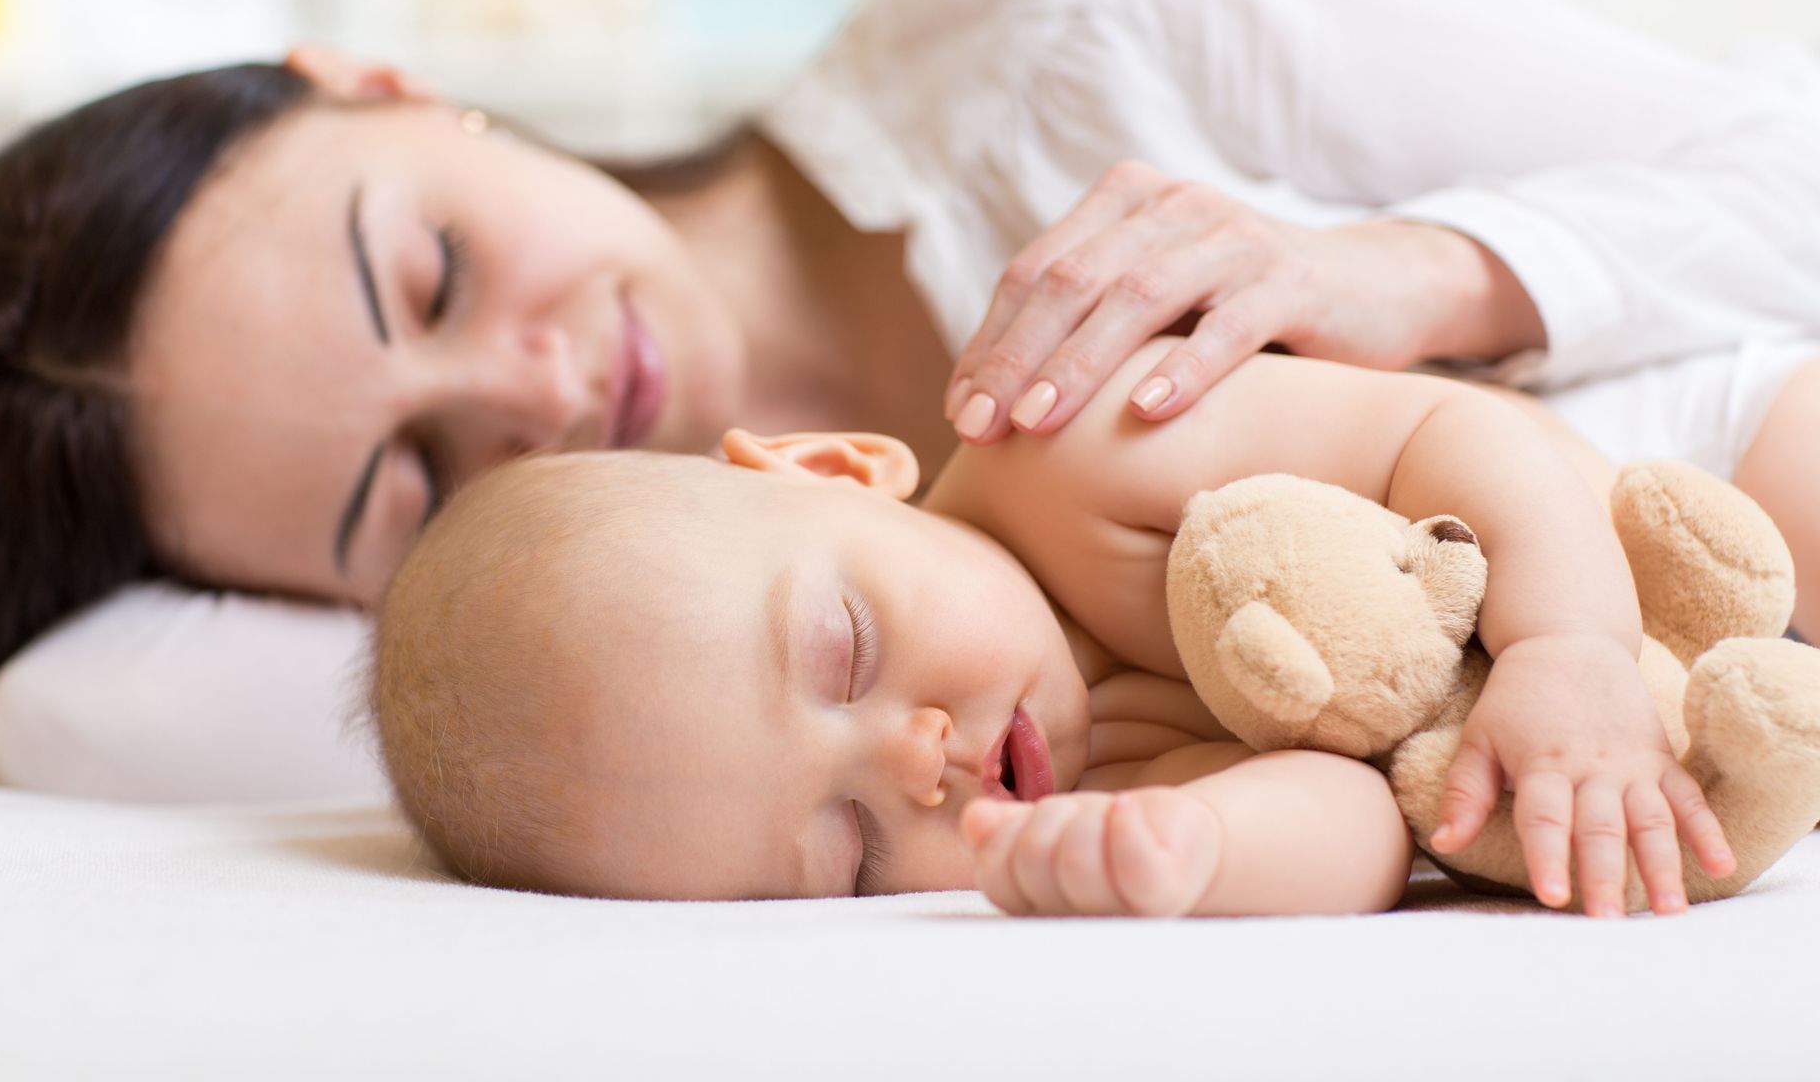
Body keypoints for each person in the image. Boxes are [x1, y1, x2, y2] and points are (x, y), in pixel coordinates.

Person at [0, 0, 1819, 778]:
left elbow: (1785, 172)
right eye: (407, 487)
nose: (538, 387)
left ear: (388, 83)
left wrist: (1410, 271)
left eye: (431, 274)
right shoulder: (718, 727)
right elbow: (98, 720)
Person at [372, 339, 1765, 917]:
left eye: (848, 654)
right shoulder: (1070, 799)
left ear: (841, 472)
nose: (917, 760)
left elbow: (1446, 429)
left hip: (1655, 467)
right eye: (853, 847)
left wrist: (1569, 646)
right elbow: (1368, 829)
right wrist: (1191, 855)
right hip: (1726, 689)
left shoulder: (1080, 457)